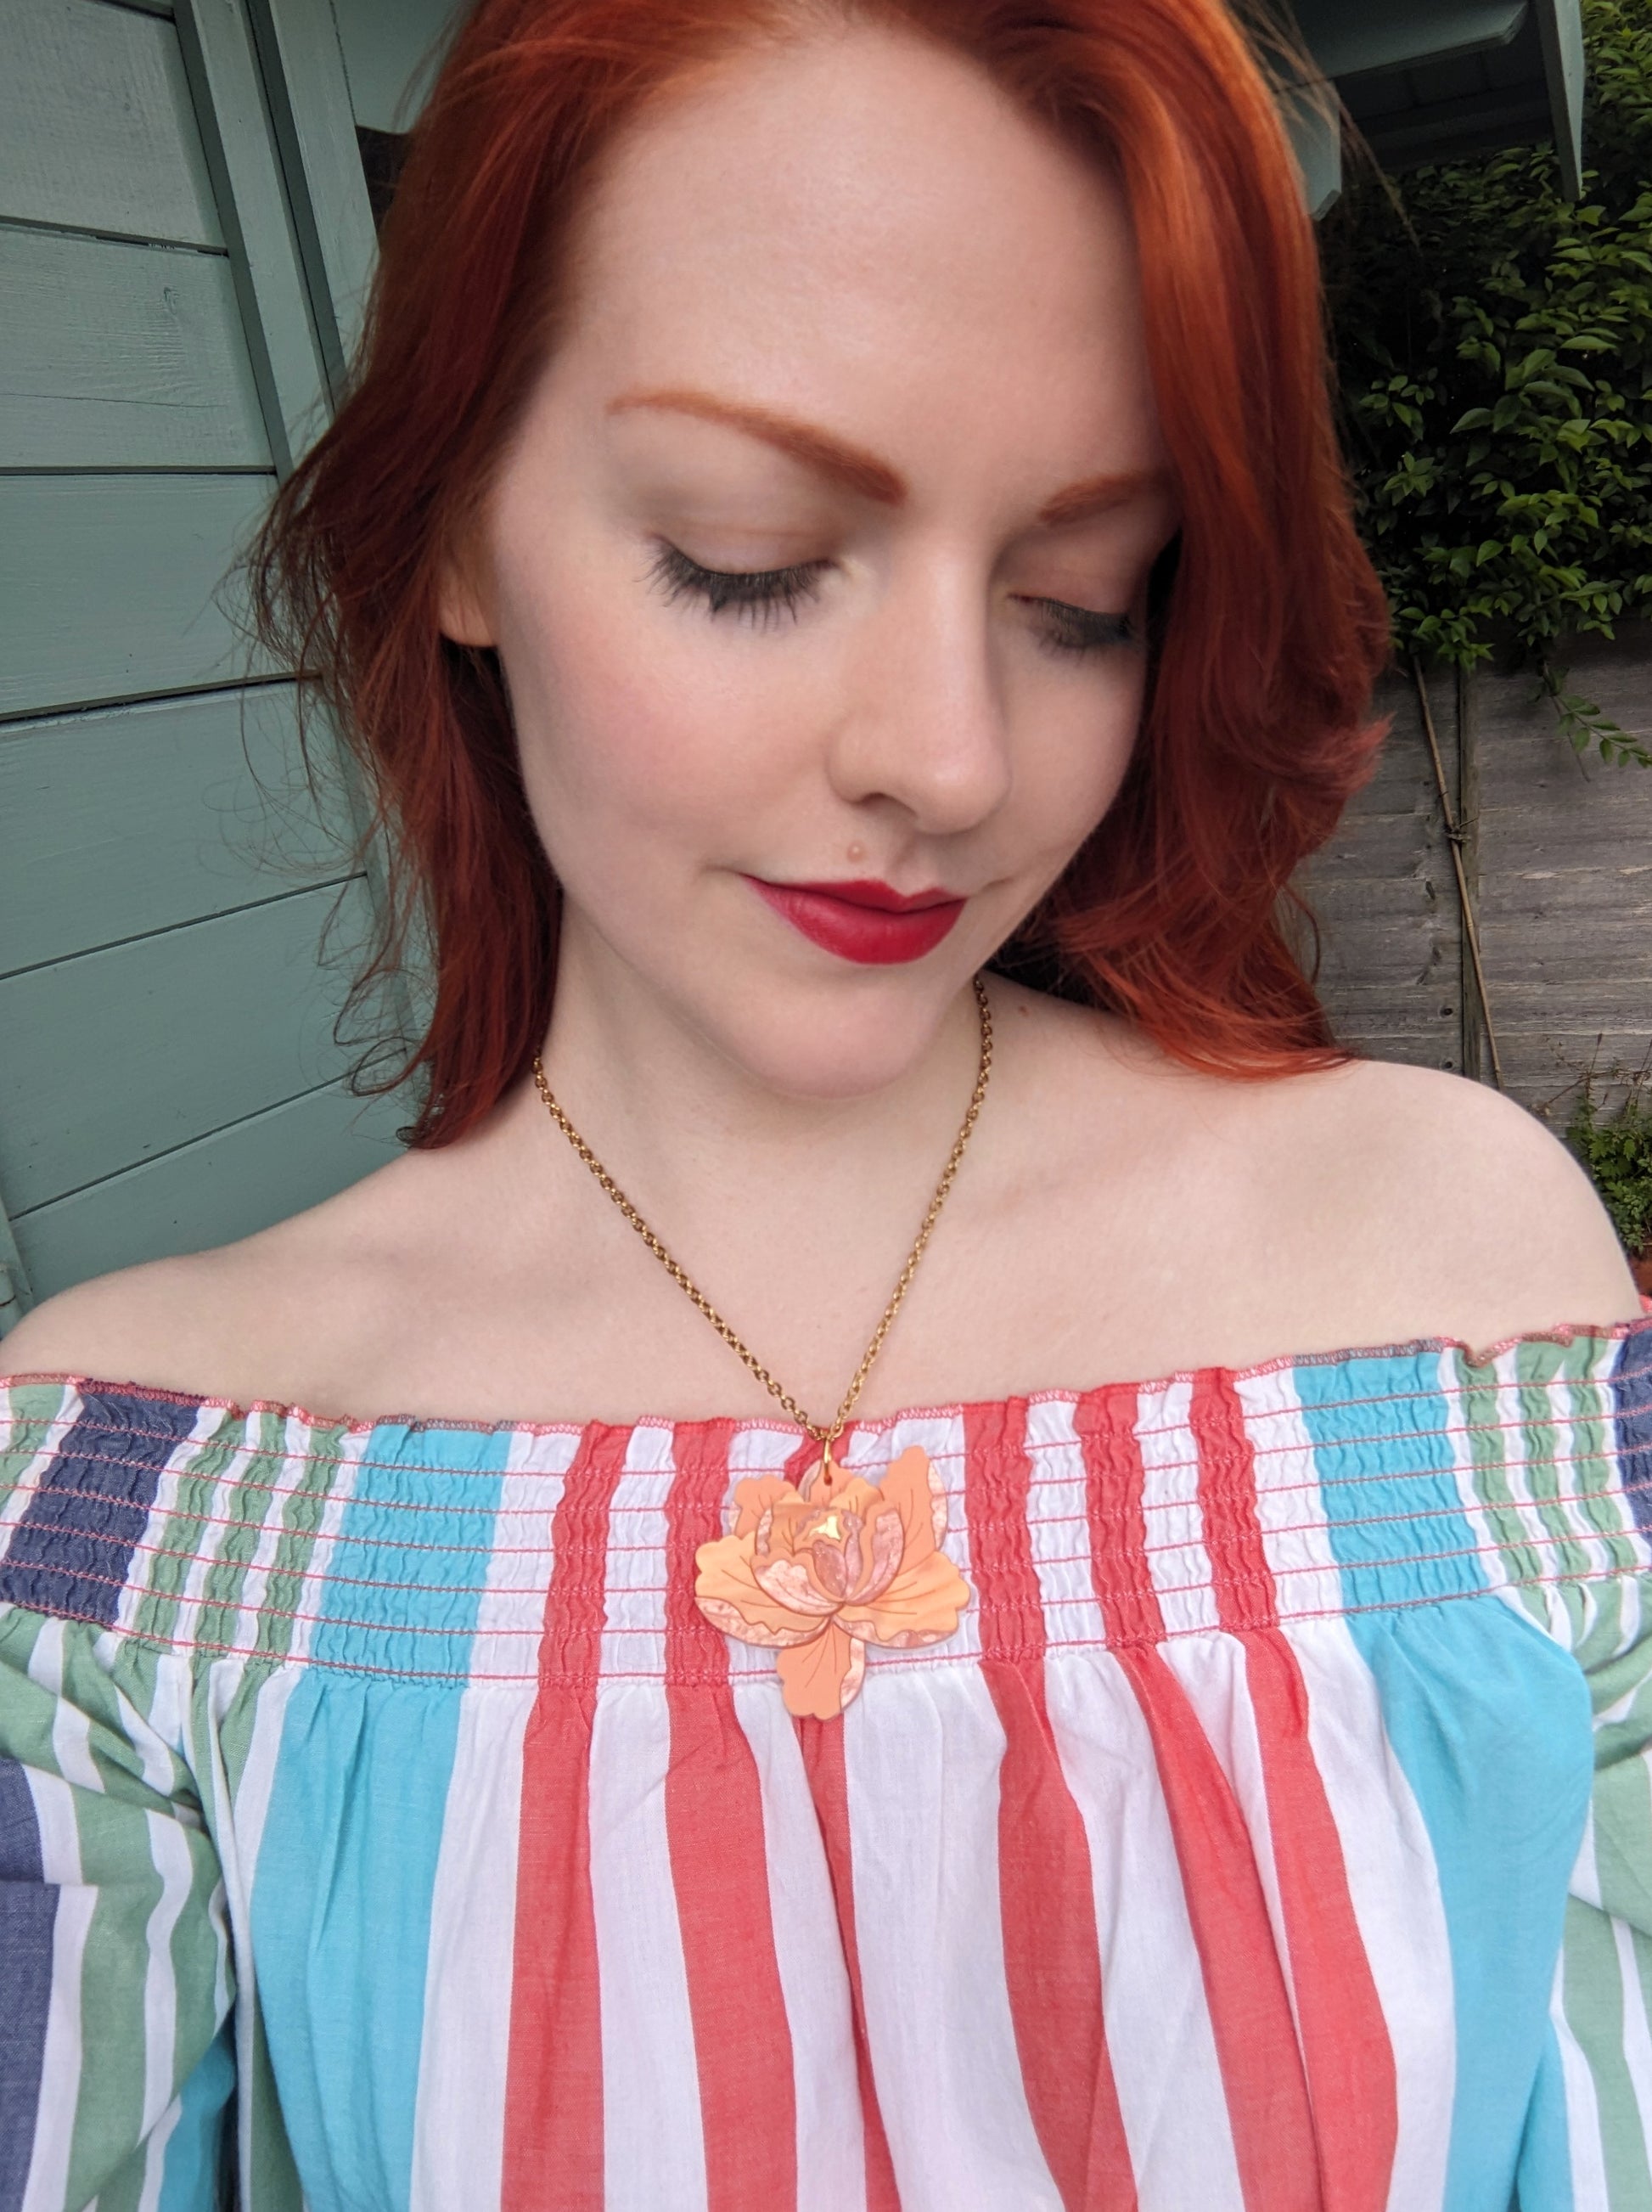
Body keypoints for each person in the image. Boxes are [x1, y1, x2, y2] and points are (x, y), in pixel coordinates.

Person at [3, 0, 1649, 2204]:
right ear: (459, 527)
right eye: (748, 553)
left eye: (1080, 598)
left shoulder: (1462, 1313)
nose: (950, 761)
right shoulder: (139, 1525)